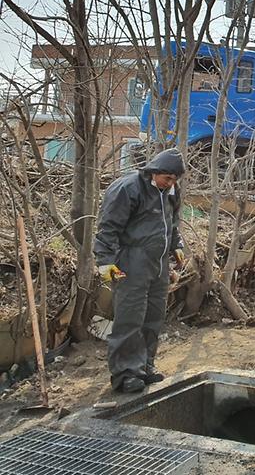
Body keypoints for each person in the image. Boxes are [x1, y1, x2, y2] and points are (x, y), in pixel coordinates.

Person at [94, 148, 186, 393]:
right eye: (168, 178)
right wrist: (105, 261)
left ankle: (144, 366)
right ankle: (125, 375)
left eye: (175, 179)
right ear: (155, 171)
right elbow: (108, 228)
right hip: (130, 261)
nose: (171, 183)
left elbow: (172, 223)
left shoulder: (170, 192)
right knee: (129, 319)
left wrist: (176, 245)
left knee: (153, 317)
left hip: (158, 263)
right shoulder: (128, 189)